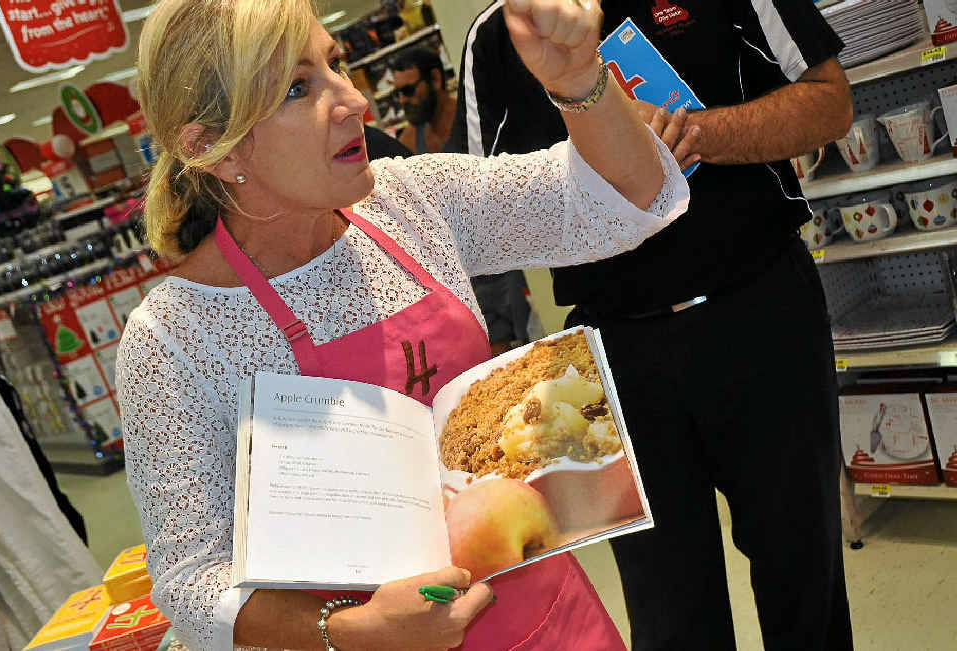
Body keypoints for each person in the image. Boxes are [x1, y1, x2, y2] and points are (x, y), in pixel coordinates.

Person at [117, 0, 693, 649]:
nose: (354, 100)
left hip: (553, 620)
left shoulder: (409, 203)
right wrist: (354, 628)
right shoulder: (176, 337)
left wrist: (580, 81)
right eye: (298, 88)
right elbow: (190, 576)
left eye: (335, 63)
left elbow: (627, 198)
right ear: (211, 150)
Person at [452, 1, 855, 649]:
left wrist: (689, 134)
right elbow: (473, 211)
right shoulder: (498, 32)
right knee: (666, 607)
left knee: (803, 568)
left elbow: (830, 102)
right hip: (610, 354)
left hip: (763, 309)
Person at [390, 47, 456, 154]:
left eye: (408, 90)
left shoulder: (474, 121)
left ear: (435, 79)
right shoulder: (408, 141)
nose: (402, 100)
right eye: (397, 94)